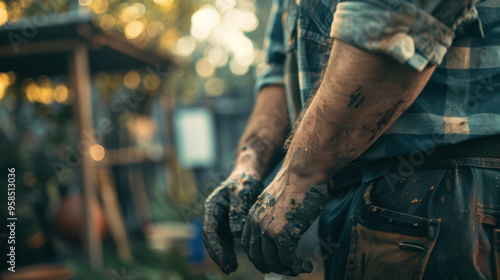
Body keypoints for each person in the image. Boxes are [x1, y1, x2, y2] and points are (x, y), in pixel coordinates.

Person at [203, 0, 500, 279]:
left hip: (440, 186)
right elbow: (282, 67)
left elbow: (393, 25)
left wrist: (298, 174)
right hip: (351, 189)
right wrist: (246, 170)